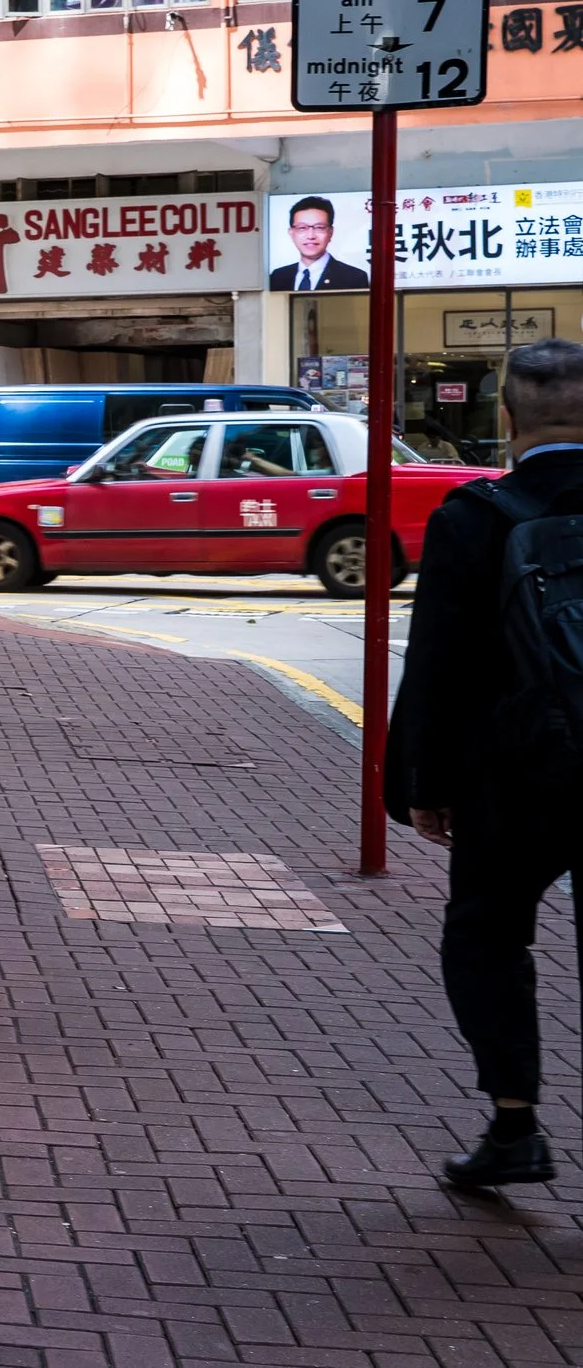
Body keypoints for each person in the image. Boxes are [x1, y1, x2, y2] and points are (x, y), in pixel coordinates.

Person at [388, 337, 583, 1188]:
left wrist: (423, 787)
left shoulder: (473, 517)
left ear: (505, 419)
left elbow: (437, 664)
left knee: (486, 938)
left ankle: (515, 1123)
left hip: (515, 776)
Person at [267, 196, 370, 292]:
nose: (311, 236)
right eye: (302, 228)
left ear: (331, 232)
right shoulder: (278, 276)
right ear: (291, 233)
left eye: (319, 227)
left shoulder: (354, 277)